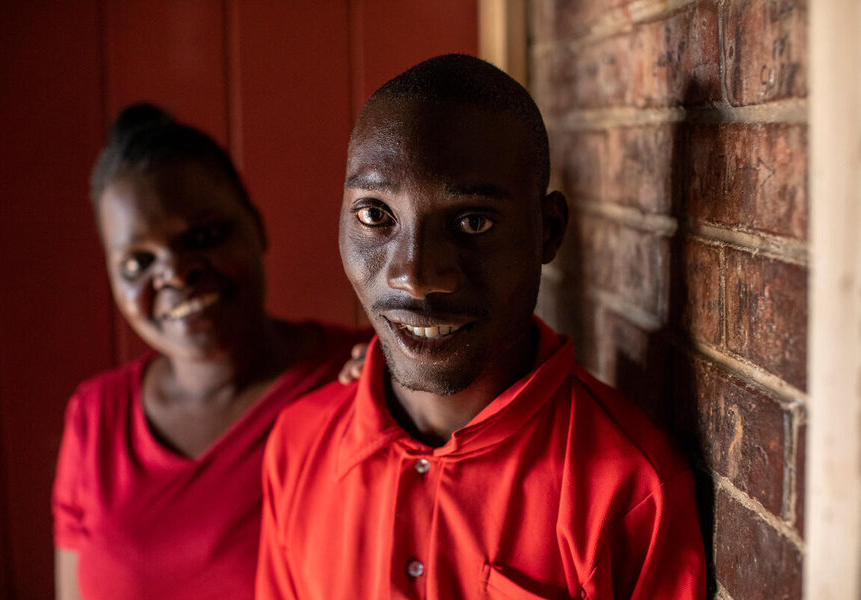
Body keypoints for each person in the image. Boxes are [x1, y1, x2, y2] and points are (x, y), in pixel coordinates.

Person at [256, 54, 707, 599]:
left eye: (472, 222)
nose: (415, 277)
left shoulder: (630, 488)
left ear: (548, 231)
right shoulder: (299, 445)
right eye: (376, 215)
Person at [52, 104, 364, 600]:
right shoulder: (95, 418)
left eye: (203, 237)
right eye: (138, 262)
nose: (175, 273)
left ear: (256, 227)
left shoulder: (361, 377)